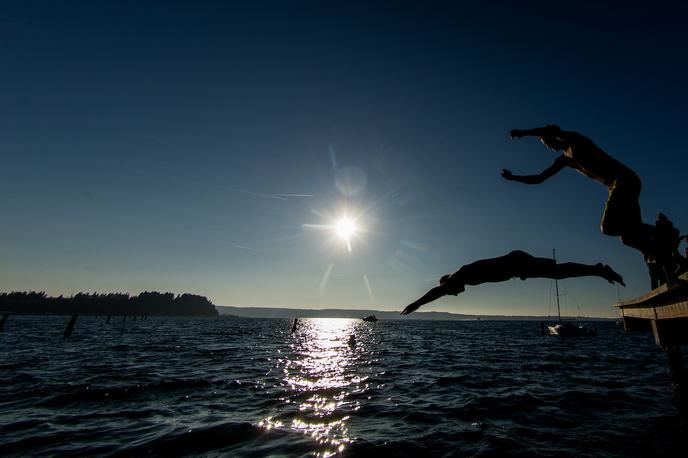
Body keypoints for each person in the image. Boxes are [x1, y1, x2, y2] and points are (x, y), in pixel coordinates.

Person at [502, 125, 650, 252]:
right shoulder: (564, 160)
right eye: (544, 144)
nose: (547, 146)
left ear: (554, 136)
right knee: (628, 238)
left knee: (608, 227)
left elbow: (553, 130)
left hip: (623, 181)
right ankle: (658, 255)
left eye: (547, 140)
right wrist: (514, 178)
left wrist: (524, 132)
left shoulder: (575, 140)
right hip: (616, 186)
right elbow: (539, 178)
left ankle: (665, 232)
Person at [401, 250, 624, 315]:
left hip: (517, 263)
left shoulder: (461, 275)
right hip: (517, 264)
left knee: (558, 273)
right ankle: (597, 270)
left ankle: (597, 270)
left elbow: (436, 292)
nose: (457, 294)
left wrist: (417, 304)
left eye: (452, 293)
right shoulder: (465, 276)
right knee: (558, 272)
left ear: (448, 283)